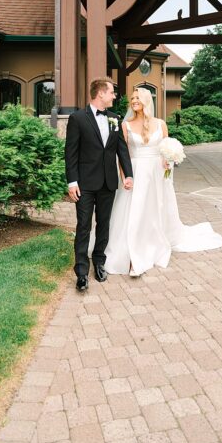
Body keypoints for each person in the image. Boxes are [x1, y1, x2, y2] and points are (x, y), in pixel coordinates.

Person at [102, 87, 222, 277]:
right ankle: (133, 257)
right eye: (132, 98)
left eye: (137, 97)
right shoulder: (125, 125)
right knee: (135, 212)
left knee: (152, 211)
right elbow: (121, 154)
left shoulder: (160, 124)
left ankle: (151, 244)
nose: (134, 100)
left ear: (146, 101)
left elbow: (165, 148)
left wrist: (168, 161)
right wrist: (124, 176)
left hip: (157, 175)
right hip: (134, 173)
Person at [65, 77, 134, 292]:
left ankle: (99, 262)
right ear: (100, 94)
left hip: (108, 182)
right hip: (84, 183)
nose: (114, 96)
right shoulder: (77, 118)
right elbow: (71, 153)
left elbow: (122, 150)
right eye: (112, 92)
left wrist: (128, 175)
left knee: (104, 224)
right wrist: (72, 181)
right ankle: (82, 272)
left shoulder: (115, 119)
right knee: (83, 225)